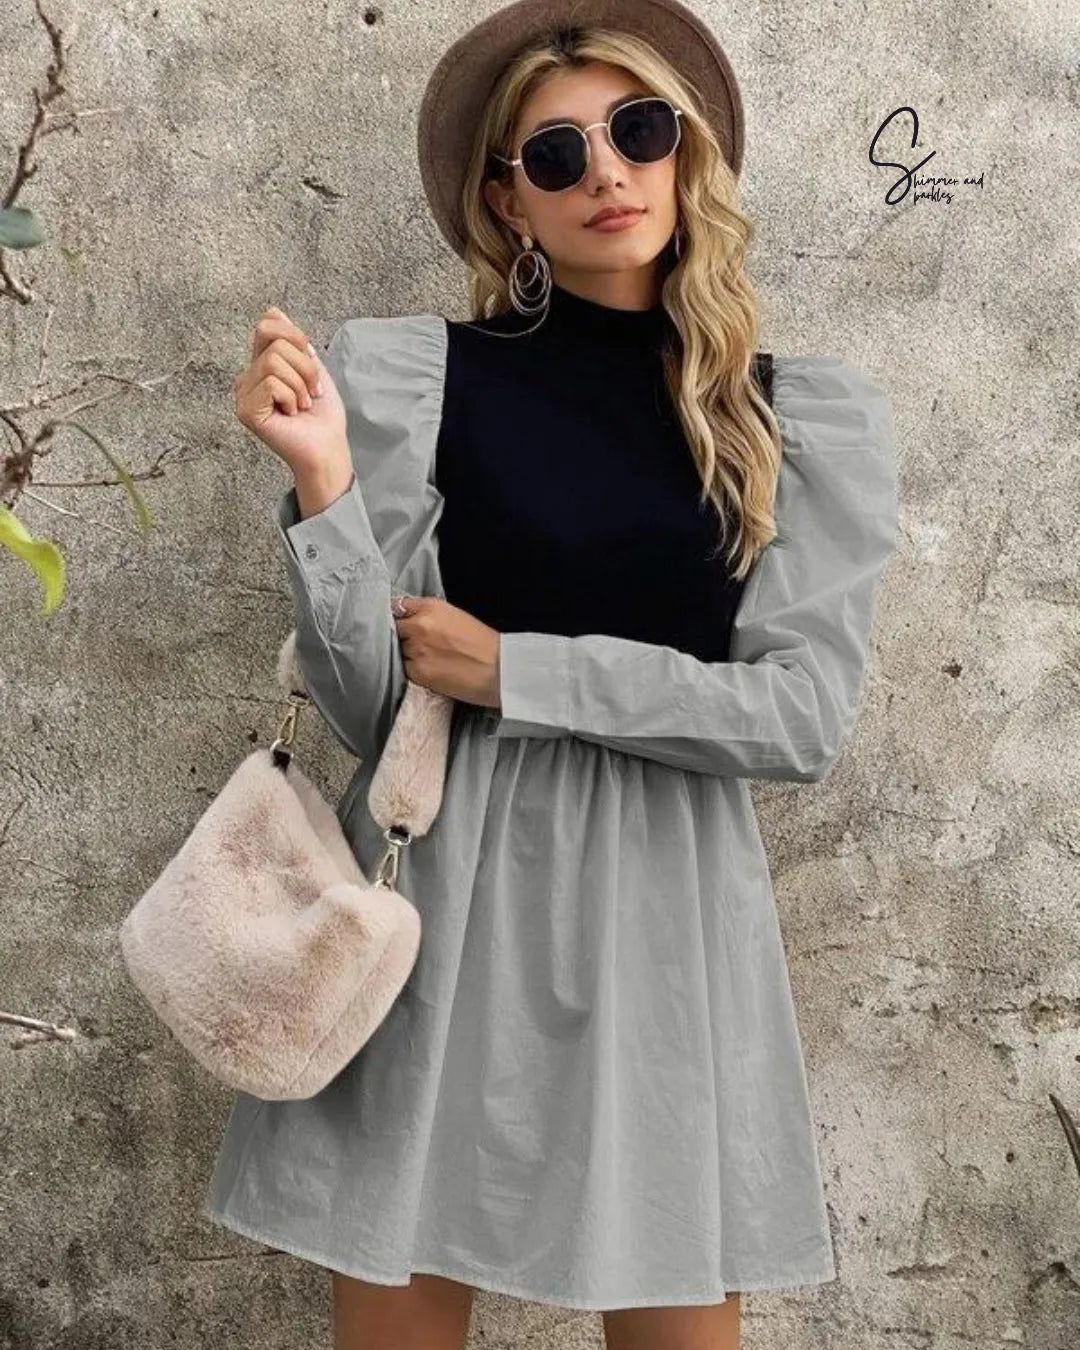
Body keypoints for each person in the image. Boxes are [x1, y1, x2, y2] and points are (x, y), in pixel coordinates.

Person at [214, 2, 900, 1347]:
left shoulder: (789, 418)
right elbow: (366, 705)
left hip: (667, 931)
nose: (607, 172)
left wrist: (519, 668)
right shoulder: (415, 378)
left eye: (640, 130)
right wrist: (326, 484)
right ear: (507, 200)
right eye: (559, 151)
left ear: (687, 154)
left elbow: (798, 717)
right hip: (441, 908)